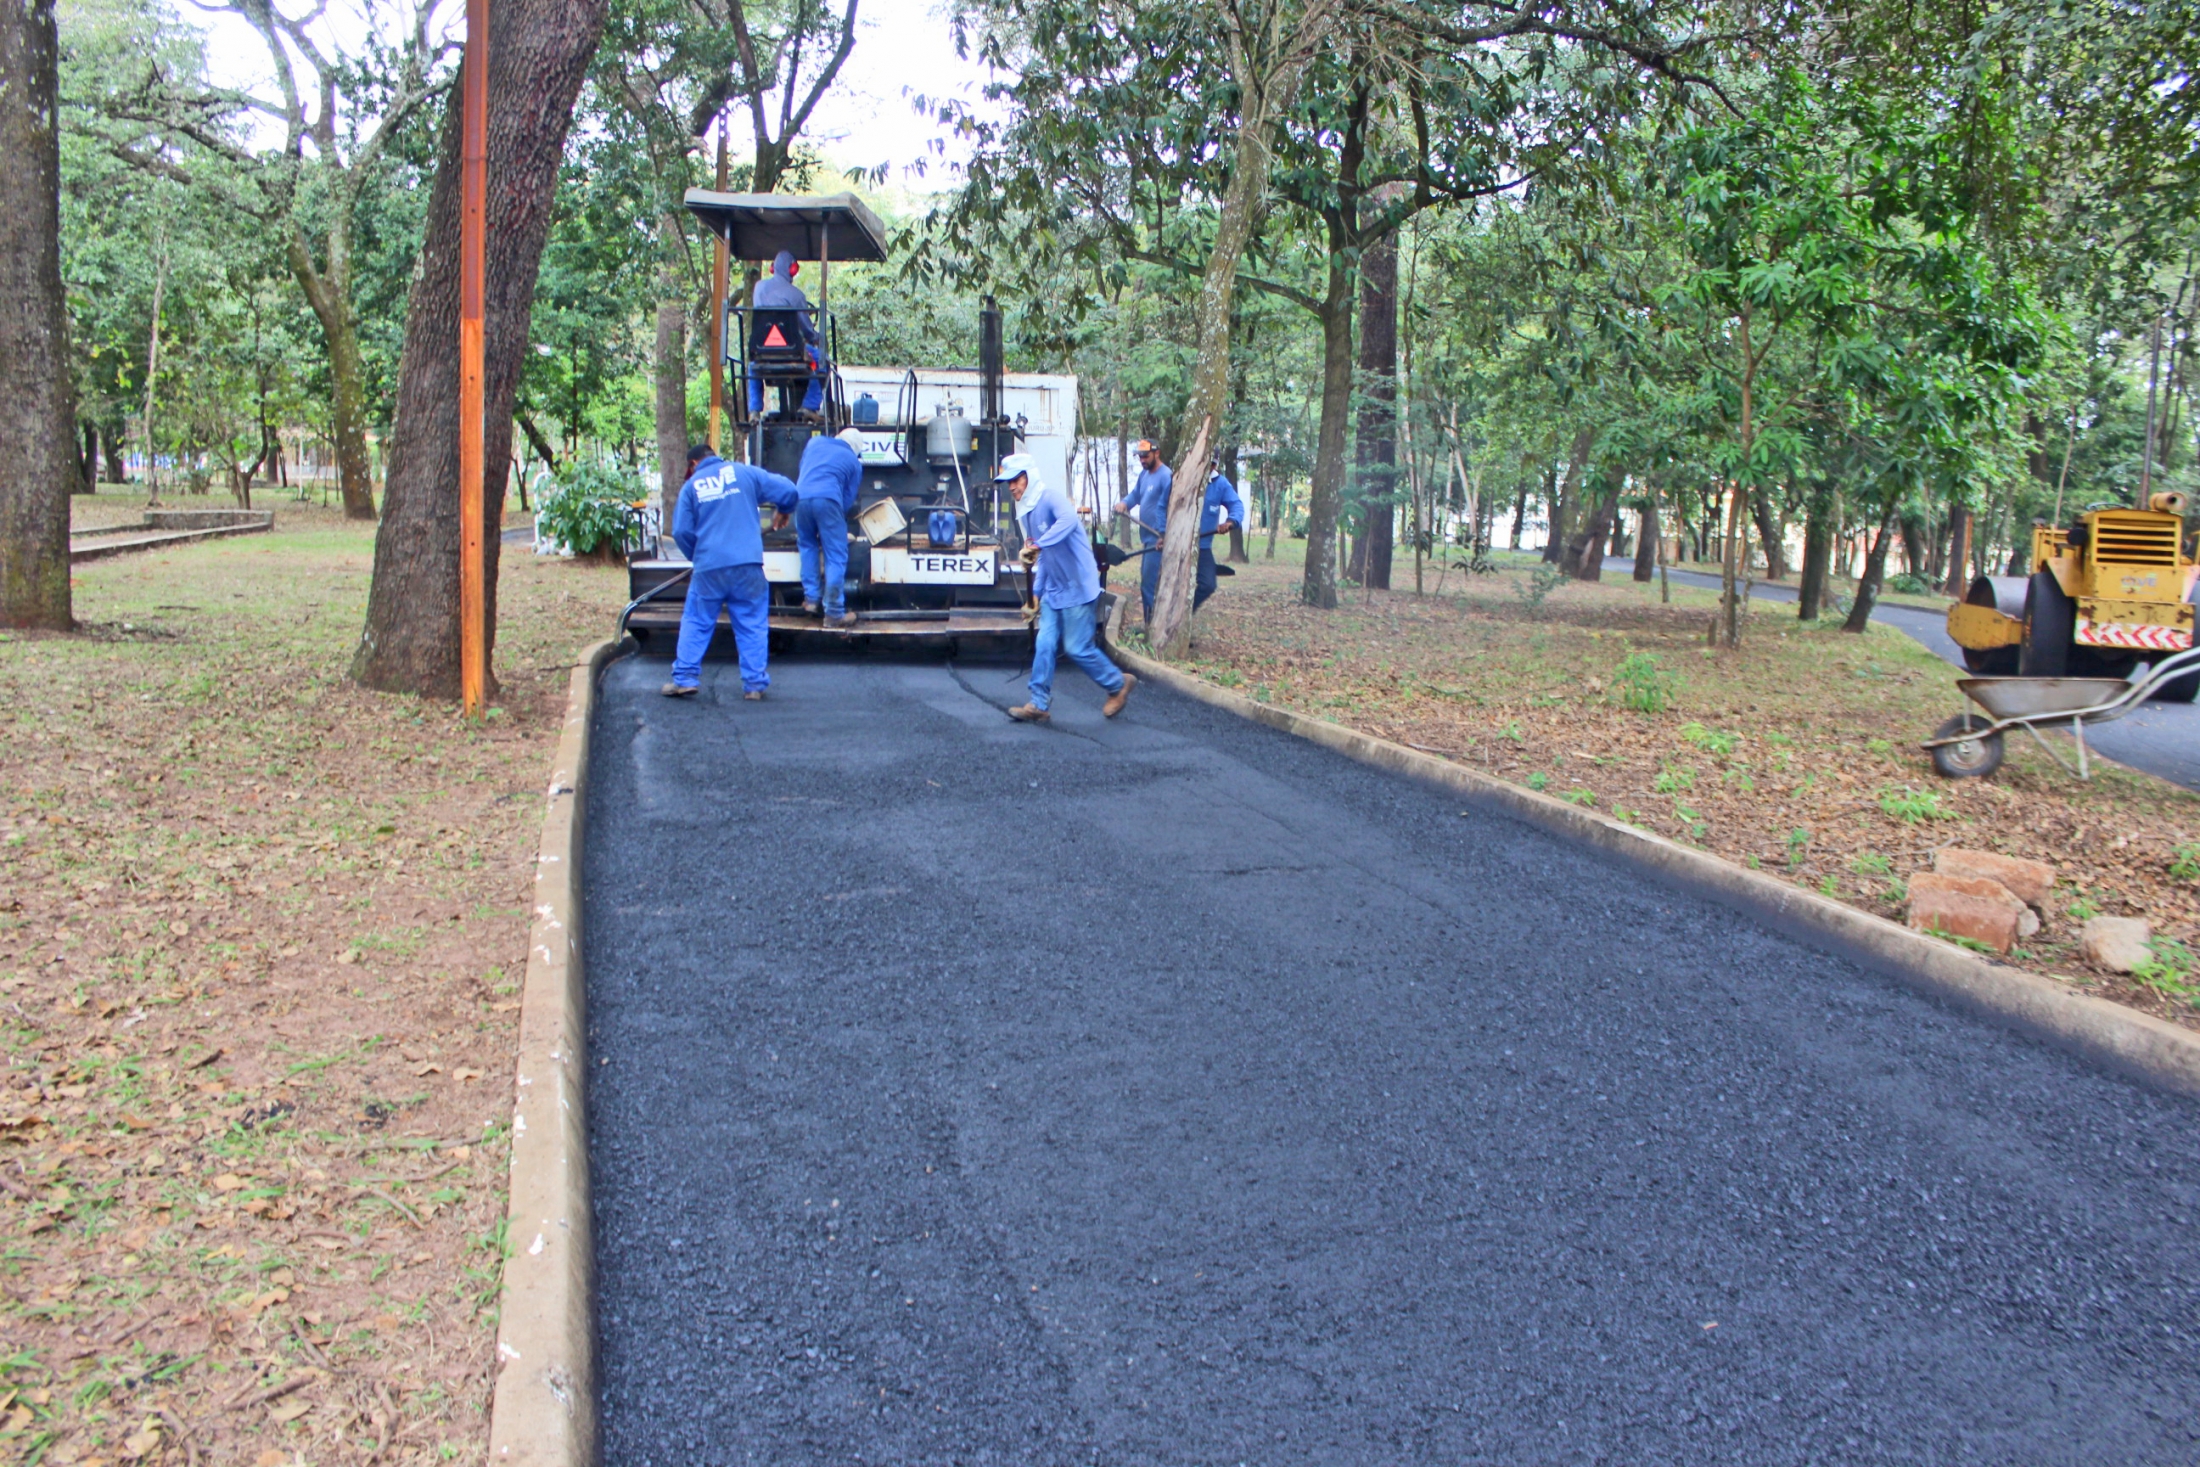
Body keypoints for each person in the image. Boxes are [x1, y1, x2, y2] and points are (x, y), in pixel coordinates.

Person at [1000, 453, 1135, 724]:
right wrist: (1035, 596)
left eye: (1016, 480)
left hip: (1078, 586)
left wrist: (1038, 545)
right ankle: (1038, 703)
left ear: (1029, 477)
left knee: (1076, 648)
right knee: (1045, 642)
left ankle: (1117, 684)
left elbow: (1069, 521)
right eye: (1009, 482)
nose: (1012, 487)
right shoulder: (1026, 514)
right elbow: (1043, 558)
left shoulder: (1050, 499)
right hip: (1054, 589)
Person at [664, 442, 798, 700]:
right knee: (751, 623)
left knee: (697, 620)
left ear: (693, 464)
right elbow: (789, 490)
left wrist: (698, 556)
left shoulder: (691, 487)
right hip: (748, 564)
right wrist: (784, 510)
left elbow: (680, 531)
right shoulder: (744, 473)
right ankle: (754, 685)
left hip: (709, 568)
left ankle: (685, 679)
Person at [795, 427, 865, 627]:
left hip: (800, 497)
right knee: (835, 554)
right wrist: (832, 524)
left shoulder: (814, 443)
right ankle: (834, 612)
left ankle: (811, 599)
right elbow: (847, 499)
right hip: (828, 499)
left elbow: (804, 470)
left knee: (807, 545)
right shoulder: (853, 462)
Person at [748, 249, 824, 417]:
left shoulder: (758, 287)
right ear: (792, 269)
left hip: (762, 350)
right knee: (821, 359)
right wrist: (816, 337)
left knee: (752, 366)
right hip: (792, 352)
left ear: (773, 268)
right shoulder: (796, 295)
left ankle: (754, 409)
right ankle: (810, 406)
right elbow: (807, 329)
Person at [1114, 438, 1171, 624]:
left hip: (1159, 539)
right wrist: (1124, 503)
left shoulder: (1166, 476)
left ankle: (1153, 626)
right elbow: (1135, 495)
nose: (1142, 460)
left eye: (1146, 456)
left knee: (1149, 584)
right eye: (1140, 457)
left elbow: (1169, 507)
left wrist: (1164, 534)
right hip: (1148, 538)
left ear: (1157, 453)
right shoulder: (1144, 476)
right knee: (1148, 582)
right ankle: (1151, 624)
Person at [1191, 459, 1247, 611]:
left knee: (1208, 585)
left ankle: (1185, 613)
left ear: (1214, 465)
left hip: (1202, 546)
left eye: (1212, 464)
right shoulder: (1184, 478)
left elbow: (1236, 505)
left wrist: (1231, 521)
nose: (1208, 467)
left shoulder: (1220, 484)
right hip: (1178, 545)